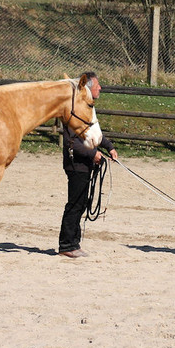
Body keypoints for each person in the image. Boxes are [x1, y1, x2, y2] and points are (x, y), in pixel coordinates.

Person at [58, 72, 117, 258]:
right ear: (88, 87)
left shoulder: (85, 111)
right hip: (76, 165)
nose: (100, 88)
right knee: (75, 204)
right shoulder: (73, 114)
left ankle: (73, 243)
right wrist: (93, 154)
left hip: (85, 165)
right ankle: (67, 245)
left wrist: (109, 147)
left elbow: (94, 135)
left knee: (82, 203)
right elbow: (72, 143)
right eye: (97, 86)